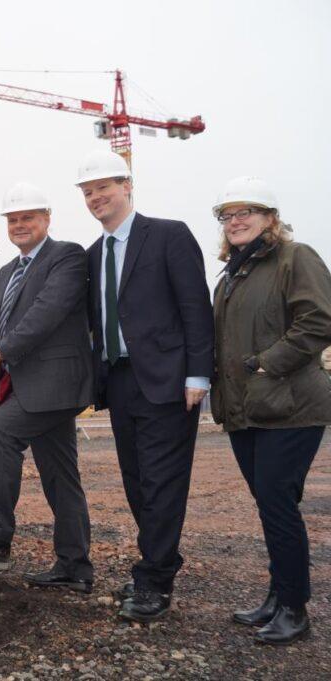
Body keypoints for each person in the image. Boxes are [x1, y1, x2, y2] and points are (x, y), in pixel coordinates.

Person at [78, 150, 215, 621]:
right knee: (137, 482)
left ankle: (154, 580)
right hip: (119, 382)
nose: (96, 196)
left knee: (162, 482)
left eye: (104, 187)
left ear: (127, 185)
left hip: (168, 381)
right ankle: (161, 562)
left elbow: (196, 307)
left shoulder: (169, 235)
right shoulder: (94, 255)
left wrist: (199, 373)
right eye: (88, 191)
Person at [0, 183, 94, 591]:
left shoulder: (66, 256)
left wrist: (3, 347)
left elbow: (46, 313)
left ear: (46, 219)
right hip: (26, 385)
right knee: (60, 475)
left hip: (57, 383)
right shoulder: (11, 271)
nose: (20, 225)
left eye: (27, 218)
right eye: (13, 220)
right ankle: (75, 567)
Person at [210, 177, 331, 645]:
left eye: (248, 212)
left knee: (279, 505)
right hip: (246, 410)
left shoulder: (294, 258)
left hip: (291, 405)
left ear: (270, 219)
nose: (236, 221)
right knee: (270, 505)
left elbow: (319, 320)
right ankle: (278, 596)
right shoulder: (233, 273)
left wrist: (266, 363)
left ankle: (295, 610)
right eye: (228, 214)